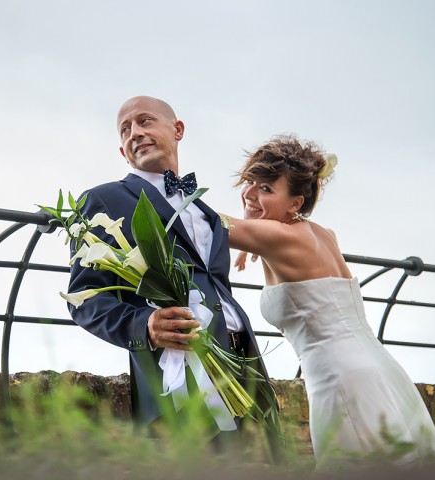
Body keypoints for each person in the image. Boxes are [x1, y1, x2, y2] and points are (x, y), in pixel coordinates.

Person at [66, 96, 282, 459]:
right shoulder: (102, 201)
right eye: (126, 129)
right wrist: (144, 325)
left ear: (177, 129)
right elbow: (86, 297)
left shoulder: (206, 211)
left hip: (246, 365)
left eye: (145, 121)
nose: (135, 132)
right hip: (177, 374)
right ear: (123, 151)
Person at [223, 134, 435, 469]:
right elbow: (265, 235)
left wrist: (249, 234)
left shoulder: (280, 238)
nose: (251, 194)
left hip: (341, 380)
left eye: (267, 189)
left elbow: (203, 223)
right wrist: (251, 236)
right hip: (381, 371)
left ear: (296, 203)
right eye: (252, 182)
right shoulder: (322, 233)